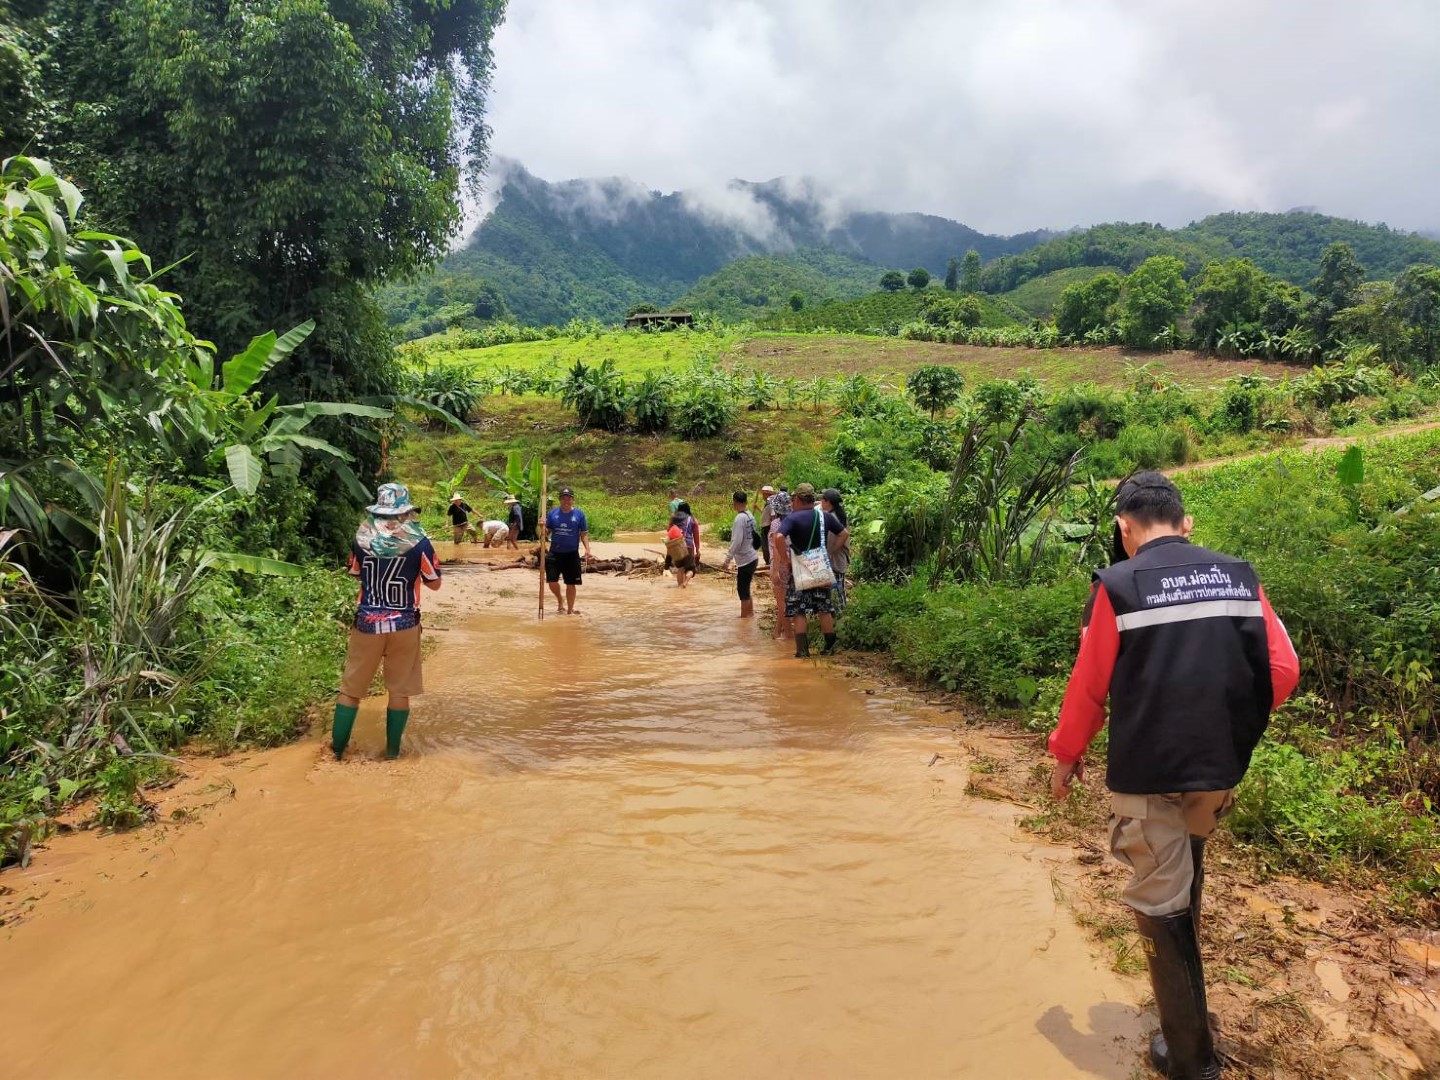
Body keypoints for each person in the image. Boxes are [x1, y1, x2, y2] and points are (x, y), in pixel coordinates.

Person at [1047, 472, 1299, 1080]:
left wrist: (1066, 755)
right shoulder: (1237, 575)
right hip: (1215, 767)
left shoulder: (1117, 585)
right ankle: (1193, 1020)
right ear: (1186, 523)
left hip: (1149, 768)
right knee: (1187, 872)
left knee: (1160, 899)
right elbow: (1283, 668)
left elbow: (1090, 686)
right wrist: (1226, 722)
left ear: (1124, 528)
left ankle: (1189, 1058)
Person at [332, 483, 442, 761]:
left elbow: (355, 572)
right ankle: (392, 754)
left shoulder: (361, 537)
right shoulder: (419, 541)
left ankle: (336, 753)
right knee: (399, 691)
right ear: (405, 510)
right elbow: (435, 584)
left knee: (351, 690)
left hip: (367, 622)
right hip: (404, 624)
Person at [774, 483, 848, 658]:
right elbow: (844, 534)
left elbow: (778, 537)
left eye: (793, 499)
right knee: (824, 607)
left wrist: (786, 561)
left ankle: (802, 651)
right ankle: (829, 648)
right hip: (820, 565)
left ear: (798, 499)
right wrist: (830, 553)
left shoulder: (792, 518)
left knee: (799, 610)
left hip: (800, 567)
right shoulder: (824, 517)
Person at [545, 486, 592, 614]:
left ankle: (570, 611)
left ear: (573, 499)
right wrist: (541, 527)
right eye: (563, 497)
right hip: (555, 553)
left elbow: (584, 533)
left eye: (569, 498)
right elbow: (545, 533)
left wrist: (587, 549)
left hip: (571, 554)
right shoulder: (553, 513)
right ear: (560, 499)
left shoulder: (579, 514)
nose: (566, 500)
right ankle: (560, 600)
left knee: (571, 583)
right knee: (551, 581)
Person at [720, 490, 761, 617]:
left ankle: (744, 618)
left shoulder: (739, 518)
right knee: (746, 588)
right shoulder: (750, 516)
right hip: (753, 557)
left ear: (735, 503)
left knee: (742, 590)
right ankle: (750, 615)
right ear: (746, 502)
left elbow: (736, 541)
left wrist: (727, 560)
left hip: (746, 560)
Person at [821, 488, 851, 612]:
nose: (821, 502)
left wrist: (830, 552)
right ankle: (840, 614)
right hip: (839, 559)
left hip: (835, 559)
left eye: (822, 499)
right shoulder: (839, 514)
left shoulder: (832, 518)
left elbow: (842, 536)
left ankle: (840, 614)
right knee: (839, 588)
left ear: (828, 502)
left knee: (837, 589)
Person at [665, 513, 695, 587]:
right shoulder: (689, 520)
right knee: (691, 569)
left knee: (680, 568)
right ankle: (685, 582)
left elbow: (668, 545)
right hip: (687, 547)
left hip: (677, 551)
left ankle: (679, 586)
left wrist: (666, 566)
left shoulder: (672, 529)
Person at [756, 484, 777, 568]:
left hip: (768, 527)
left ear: (769, 494)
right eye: (763, 493)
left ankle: (769, 563)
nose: (763, 495)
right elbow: (765, 515)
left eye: (765, 494)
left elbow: (772, 517)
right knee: (764, 545)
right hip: (764, 527)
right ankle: (768, 562)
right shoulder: (766, 504)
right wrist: (758, 508)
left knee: (767, 546)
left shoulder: (771, 504)